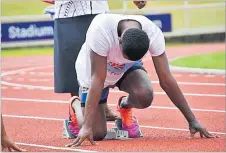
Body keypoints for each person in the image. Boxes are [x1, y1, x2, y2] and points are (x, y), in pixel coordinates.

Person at [64, 13, 218, 147]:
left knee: (144, 95)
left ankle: (124, 105)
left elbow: (166, 80)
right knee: (96, 133)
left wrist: (192, 119)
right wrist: (87, 126)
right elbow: (98, 79)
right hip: (94, 72)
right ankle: (76, 106)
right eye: (123, 56)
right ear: (119, 42)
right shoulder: (100, 29)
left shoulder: (152, 32)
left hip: (125, 70)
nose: (121, 59)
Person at [43, 0, 147, 122]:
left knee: (103, 59)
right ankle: (78, 106)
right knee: (73, 59)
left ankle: (103, 105)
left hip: (98, 9)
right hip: (68, 12)